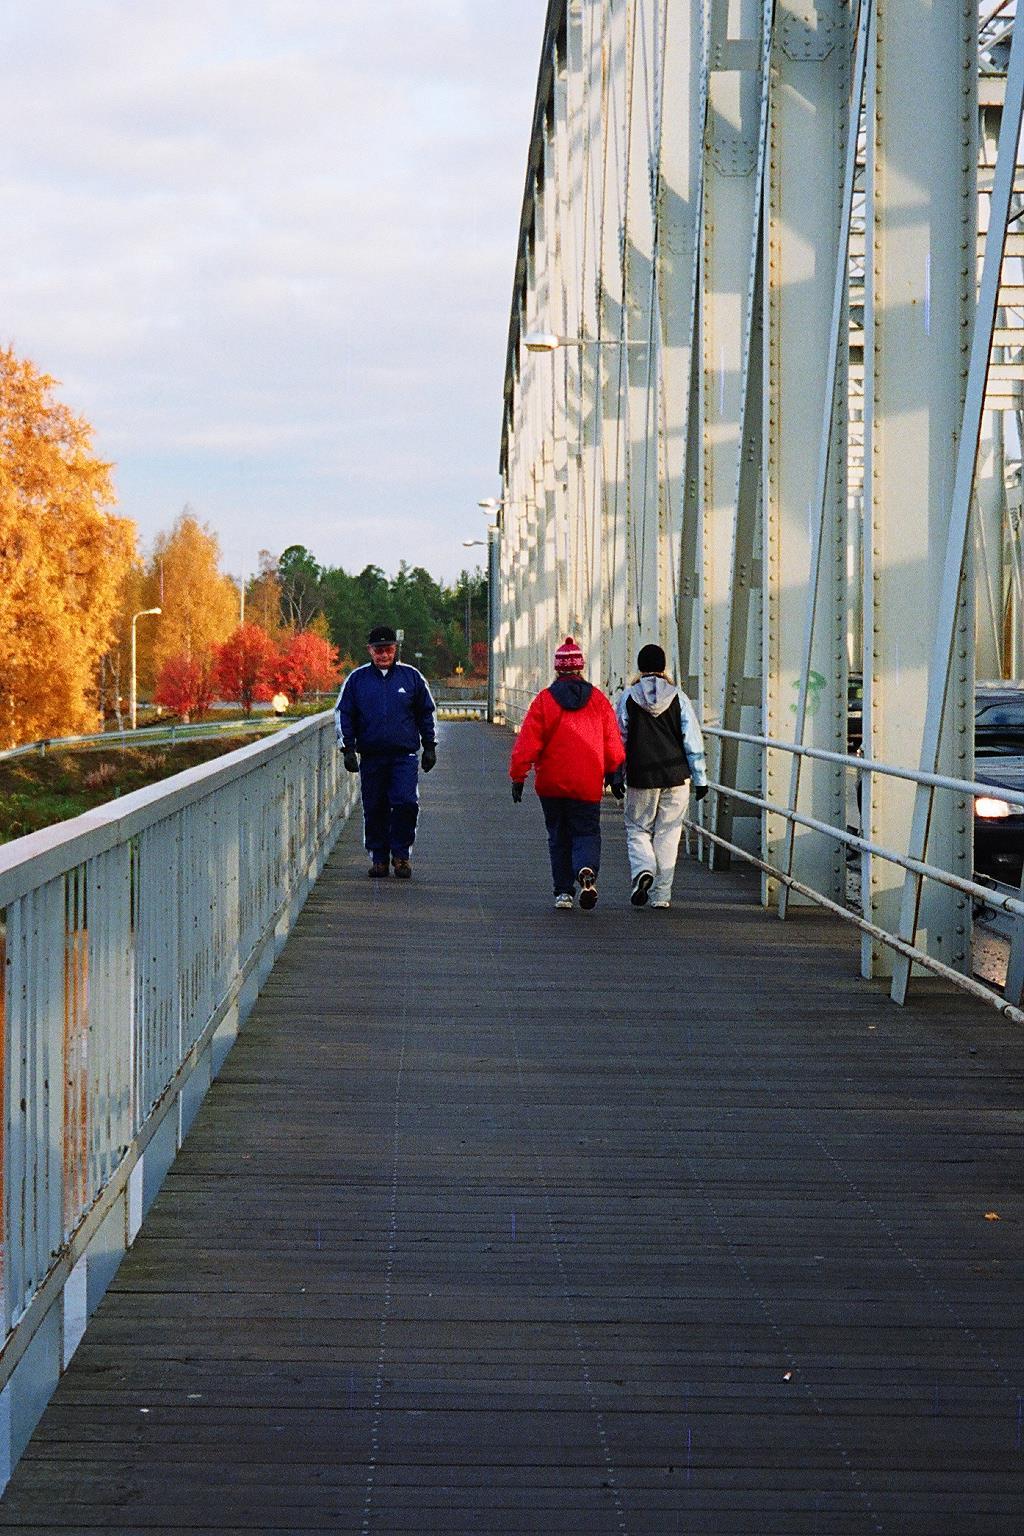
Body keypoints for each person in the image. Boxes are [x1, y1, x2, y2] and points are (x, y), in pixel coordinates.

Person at [509, 636, 625, 911]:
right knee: (586, 832)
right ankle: (585, 869)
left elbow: (528, 742)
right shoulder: (597, 699)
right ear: (580, 668)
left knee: (558, 836)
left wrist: (518, 776)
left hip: (551, 783)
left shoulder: (544, 701)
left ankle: (563, 893)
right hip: (587, 782)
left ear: (557, 669)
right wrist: (615, 770)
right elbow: (612, 740)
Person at [335, 624, 436, 878]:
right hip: (371, 756)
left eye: (388, 649)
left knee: (406, 802)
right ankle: (379, 857)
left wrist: (430, 746)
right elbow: (343, 713)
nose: (384, 655)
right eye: (378, 650)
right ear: (370, 650)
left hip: (404, 756)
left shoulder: (411, 677)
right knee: (374, 805)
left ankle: (401, 855)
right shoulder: (357, 680)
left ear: (395, 649)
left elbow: (427, 712)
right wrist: (347, 748)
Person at [615, 643, 708, 909]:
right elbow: (692, 740)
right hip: (676, 775)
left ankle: (644, 869)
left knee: (638, 829)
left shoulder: (628, 698)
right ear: (663, 666)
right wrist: (700, 778)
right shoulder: (679, 697)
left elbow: (618, 739)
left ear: (640, 667)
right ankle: (661, 896)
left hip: (640, 775)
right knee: (669, 833)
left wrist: (615, 774)